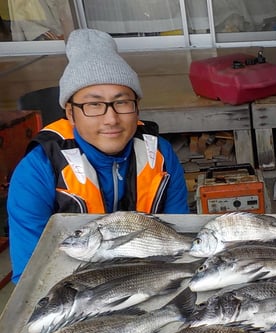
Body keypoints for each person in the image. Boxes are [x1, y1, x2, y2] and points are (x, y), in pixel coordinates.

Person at [7, 28, 189, 284]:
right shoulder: (38, 170)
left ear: (137, 107)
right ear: (70, 113)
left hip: (151, 280)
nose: (111, 119)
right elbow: (29, 274)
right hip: (75, 290)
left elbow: (178, 231)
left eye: (121, 102)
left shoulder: (160, 154)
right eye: (93, 104)